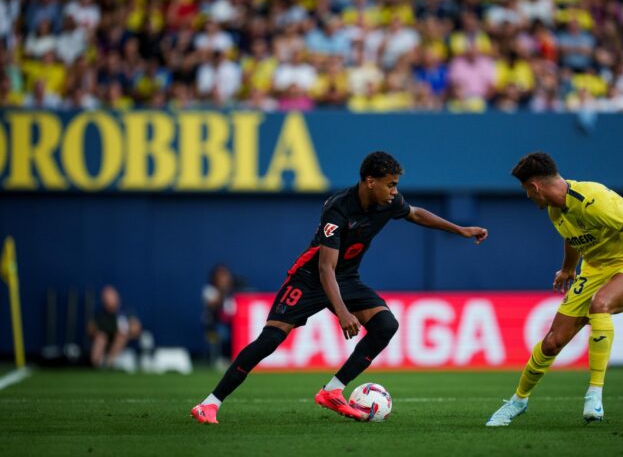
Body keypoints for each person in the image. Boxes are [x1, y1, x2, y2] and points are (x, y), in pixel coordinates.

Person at [191, 151, 488, 424]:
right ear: (370, 182)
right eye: (391, 184)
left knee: (386, 325)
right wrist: (344, 312)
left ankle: (332, 391)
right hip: (308, 279)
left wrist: (460, 229)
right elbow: (324, 268)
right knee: (269, 340)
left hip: (345, 278)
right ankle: (210, 403)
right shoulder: (338, 209)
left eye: (396, 185)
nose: (395, 191)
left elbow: (416, 213)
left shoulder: (388, 203)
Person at [486, 152, 623, 427]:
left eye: (526, 191)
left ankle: (594, 393)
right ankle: (518, 401)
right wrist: (568, 269)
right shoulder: (555, 209)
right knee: (552, 342)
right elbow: (573, 238)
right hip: (594, 269)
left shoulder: (595, 200)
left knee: (600, 304)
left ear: (535, 187)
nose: (528, 197)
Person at [89, 284, 142, 369]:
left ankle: (109, 363)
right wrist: (98, 331)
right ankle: (96, 364)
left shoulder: (126, 311)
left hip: (122, 338)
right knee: (101, 338)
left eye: (110, 298)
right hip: (105, 338)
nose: (107, 301)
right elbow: (91, 329)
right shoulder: (99, 313)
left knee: (121, 336)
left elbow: (137, 328)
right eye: (105, 298)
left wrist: (127, 329)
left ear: (116, 298)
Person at [202, 264, 236, 367]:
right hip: (213, 325)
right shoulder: (209, 290)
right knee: (223, 333)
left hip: (230, 324)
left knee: (238, 332)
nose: (224, 279)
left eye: (225, 276)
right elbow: (213, 304)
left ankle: (235, 359)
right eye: (221, 276)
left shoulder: (232, 293)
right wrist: (222, 291)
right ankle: (220, 359)